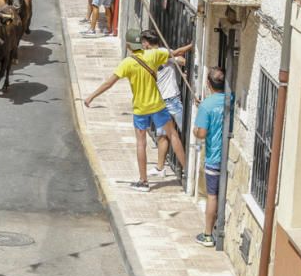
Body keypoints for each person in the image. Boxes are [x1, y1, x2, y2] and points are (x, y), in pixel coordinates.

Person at [83, 28, 187, 192]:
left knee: (141, 143)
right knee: (173, 134)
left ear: (129, 45)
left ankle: (143, 182)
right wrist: (191, 46)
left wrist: (91, 96)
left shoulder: (127, 63)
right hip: (157, 104)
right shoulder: (153, 55)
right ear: (142, 43)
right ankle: (187, 172)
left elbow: (109, 83)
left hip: (140, 108)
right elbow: (176, 53)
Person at [193, 68, 227, 247]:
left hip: (214, 157)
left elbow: (201, 133)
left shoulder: (206, 106)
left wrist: (195, 129)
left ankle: (207, 234)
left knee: (212, 196)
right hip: (227, 157)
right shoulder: (231, 99)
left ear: (208, 83)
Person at [153, 42, 194, 176]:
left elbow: (181, 60)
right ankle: (160, 168)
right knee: (162, 135)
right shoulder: (155, 57)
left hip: (171, 100)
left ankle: (189, 168)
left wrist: (180, 63)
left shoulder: (161, 55)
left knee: (187, 133)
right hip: (161, 102)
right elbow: (179, 56)